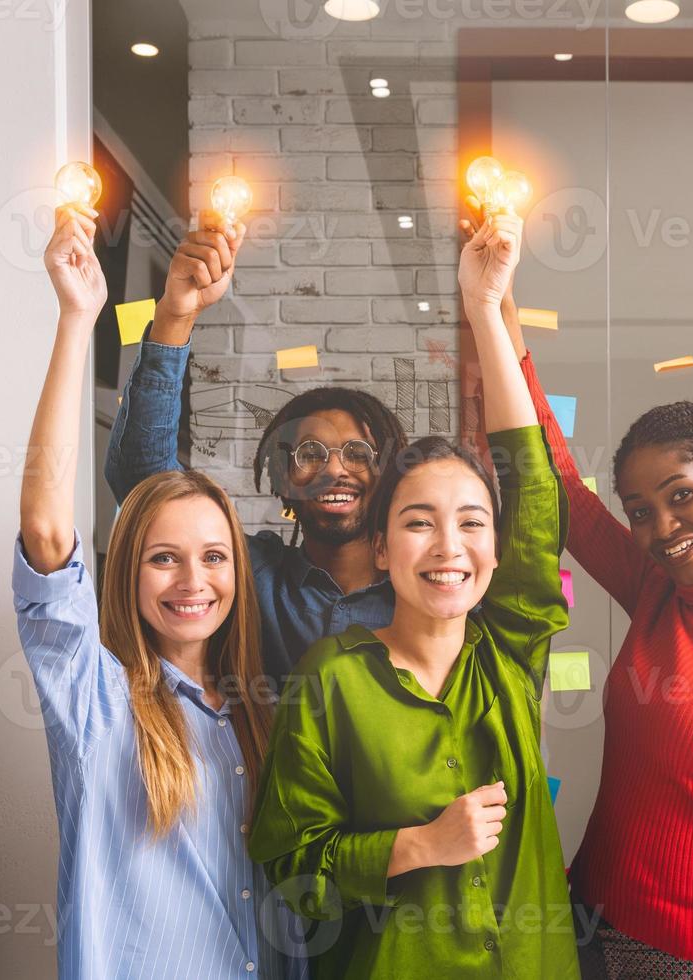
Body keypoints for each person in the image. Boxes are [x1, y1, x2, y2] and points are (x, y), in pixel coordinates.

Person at [472, 223, 693, 979]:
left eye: (681, 497)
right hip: (584, 916)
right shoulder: (656, 590)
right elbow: (561, 489)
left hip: (679, 956)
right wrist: (496, 302)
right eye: (640, 510)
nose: (661, 527)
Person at [248, 211, 579, 978]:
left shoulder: (510, 655)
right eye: (418, 523)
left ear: (497, 552)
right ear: (381, 546)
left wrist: (486, 309)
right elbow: (290, 876)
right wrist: (418, 846)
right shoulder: (332, 678)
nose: (447, 547)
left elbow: (533, 489)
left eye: (470, 523)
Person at [15, 207, 304, 978]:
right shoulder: (98, 701)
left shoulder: (256, 713)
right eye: (163, 559)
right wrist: (78, 320)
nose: (193, 581)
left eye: (214, 557)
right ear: (125, 571)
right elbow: (46, 530)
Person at [104, 214, 406, 681]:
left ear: (387, 475)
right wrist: (175, 315)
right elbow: (146, 485)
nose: (335, 470)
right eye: (309, 454)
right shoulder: (253, 576)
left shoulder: (424, 591)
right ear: (282, 479)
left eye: (358, 454)